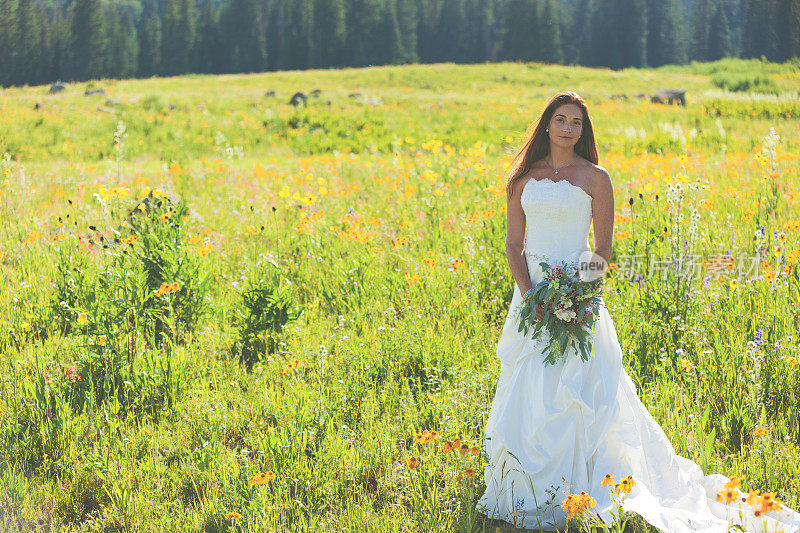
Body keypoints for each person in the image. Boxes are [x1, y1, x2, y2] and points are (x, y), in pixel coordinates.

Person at [476, 91, 800, 532]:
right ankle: (527, 484)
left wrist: (579, 298)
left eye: (577, 122)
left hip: (579, 296)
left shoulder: (596, 177)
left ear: (583, 131)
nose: (568, 128)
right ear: (546, 124)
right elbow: (515, 245)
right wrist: (532, 296)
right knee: (531, 383)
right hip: (531, 295)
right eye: (561, 119)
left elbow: (603, 248)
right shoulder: (521, 179)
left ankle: (587, 486)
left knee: (583, 394)